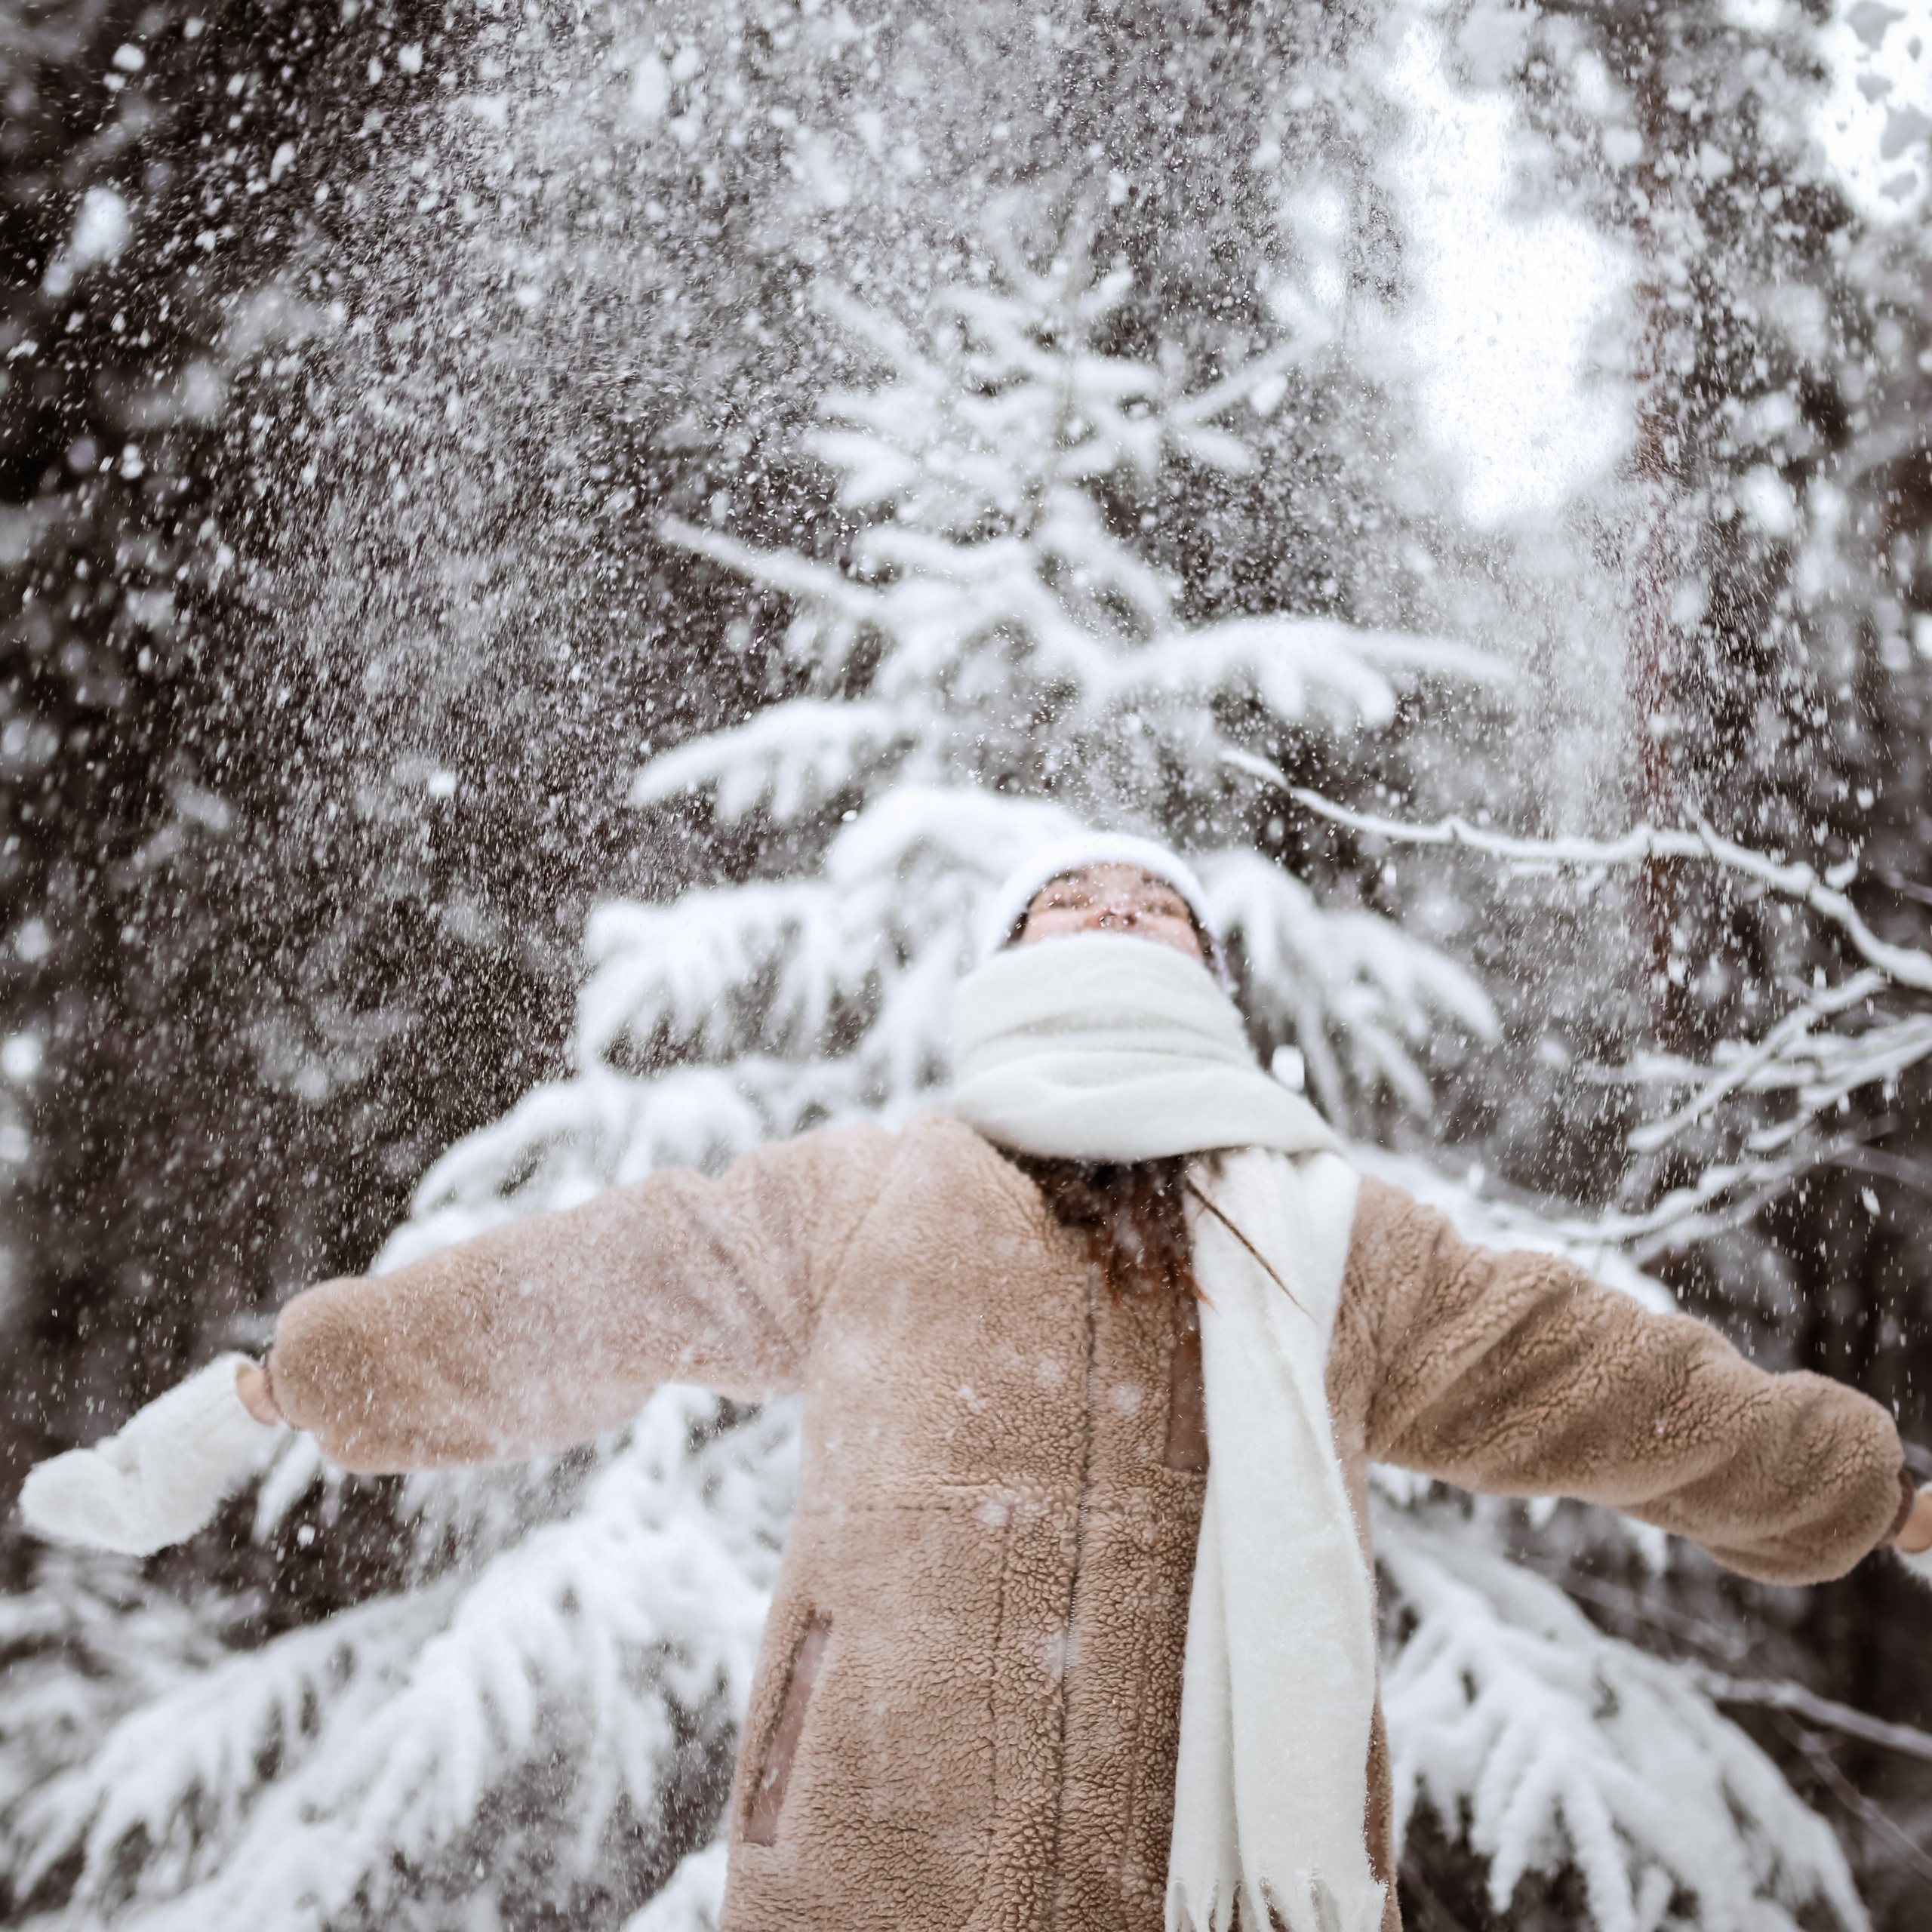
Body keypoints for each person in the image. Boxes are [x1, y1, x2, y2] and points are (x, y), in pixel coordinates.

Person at [22, 832, 1932, 1932]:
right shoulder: (866, 1191)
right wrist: (280, 1387)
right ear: (1006, 960)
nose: (1114, 907)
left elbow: (1612, 1385)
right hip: (867, 1877)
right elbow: (579, 1289)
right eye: (1069, 896)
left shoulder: (1333, 1240)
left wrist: (1872, 1492)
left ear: (1209, 982)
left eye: (1155, 903)